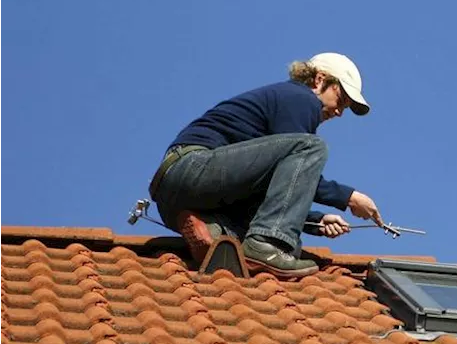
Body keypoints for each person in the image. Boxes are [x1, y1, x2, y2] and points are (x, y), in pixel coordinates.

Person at [148, 53, 383, 278]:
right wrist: (349, 197)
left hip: (174, 199)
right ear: (320, 79)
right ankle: (266, 246)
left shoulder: (287, 102)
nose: (340, 112)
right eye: (340, 99)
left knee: (245, 234)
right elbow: (301, 166)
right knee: (311, 148)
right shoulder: (300, 98)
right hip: (193, 167)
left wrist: (314, 220)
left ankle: (212, 231)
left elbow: (280, 185)